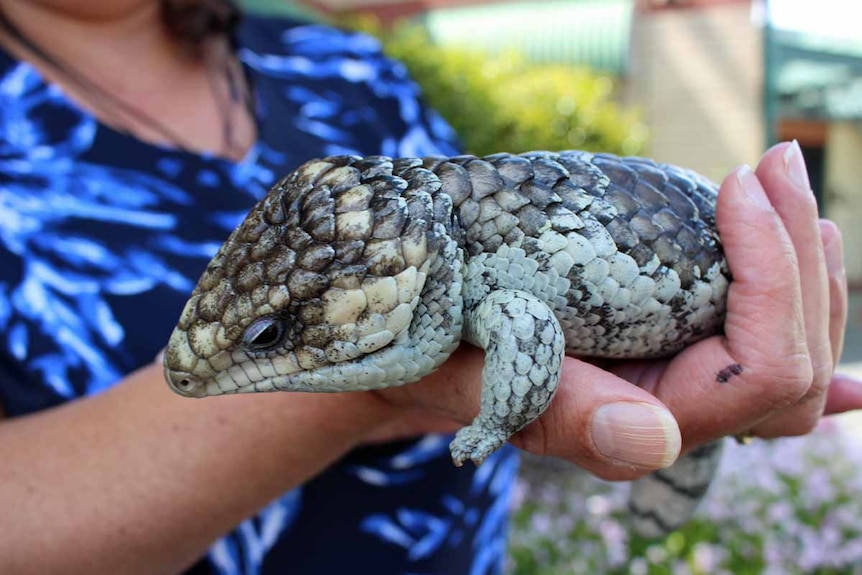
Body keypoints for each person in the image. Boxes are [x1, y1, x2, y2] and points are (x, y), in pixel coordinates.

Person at [0, 1, 858, 573]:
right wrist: (390, 392)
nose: (183, 380)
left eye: (266, 339)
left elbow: (518, 317)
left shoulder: (344, 70)